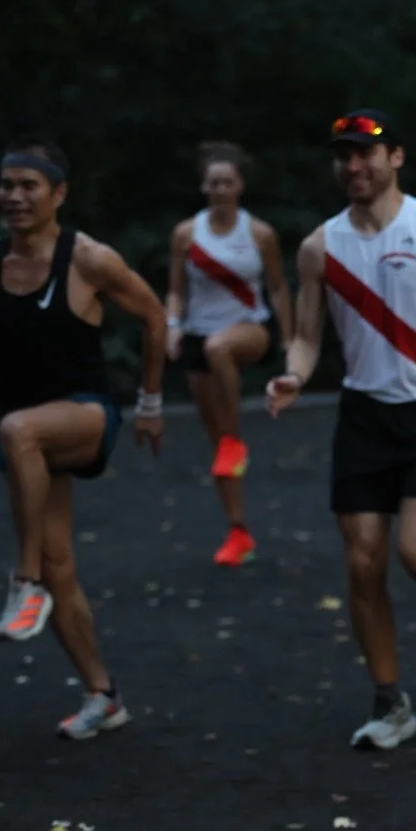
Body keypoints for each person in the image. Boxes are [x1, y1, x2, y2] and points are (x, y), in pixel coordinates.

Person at [265, 109, 416, 750]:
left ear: (395, 158)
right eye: (343, 156)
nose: (354, 166)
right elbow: (308, 337)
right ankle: (390, 702)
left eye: (366, 154)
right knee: (362, 563)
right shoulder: (320, 247)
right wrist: (292, 375)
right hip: (363, 416)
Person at [0, 137, 167, 738]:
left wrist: (150, 402)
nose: (14, 196)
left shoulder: (89, 259)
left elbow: (154, 317)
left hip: (87, 416)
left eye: (28, 186)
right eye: (7, 185)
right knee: (64, 560)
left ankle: (24, 581)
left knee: (19, 430)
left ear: (59, 195)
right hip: (27, 436)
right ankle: (103, 693)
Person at [166, 141, 294, 566]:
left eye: (228, 182)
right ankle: (238, 531)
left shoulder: (258, 233)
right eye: (213, 183)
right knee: (216, 445)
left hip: (249, 330)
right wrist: (171, 327)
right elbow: (175, 291)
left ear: (240, 186)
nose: (220, 189)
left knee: (223, 347)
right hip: (199, 338)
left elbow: (277, 286)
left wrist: (289, 339)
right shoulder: (186, 234)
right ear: (204, 186)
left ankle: (236, 438)